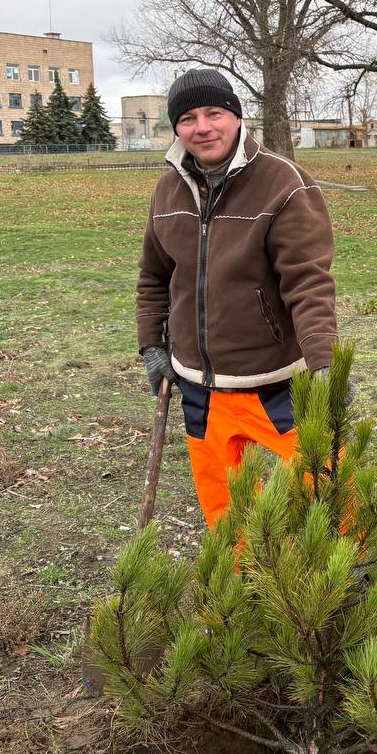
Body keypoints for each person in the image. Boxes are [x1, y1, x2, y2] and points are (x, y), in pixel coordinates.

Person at [136, 68, 338, 528]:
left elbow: (308, 282)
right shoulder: (168, 189)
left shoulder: (282, 182)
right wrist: (152, 345)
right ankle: (242, 579)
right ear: (175, 129)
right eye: (187, 118)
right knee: (224, 506)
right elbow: (153, 275)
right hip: (198, 383)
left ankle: (350, 570)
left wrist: (324, 362)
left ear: (236, 116)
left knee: (326, 482)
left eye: (214, 113)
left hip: (275, 378)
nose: (202, 127)